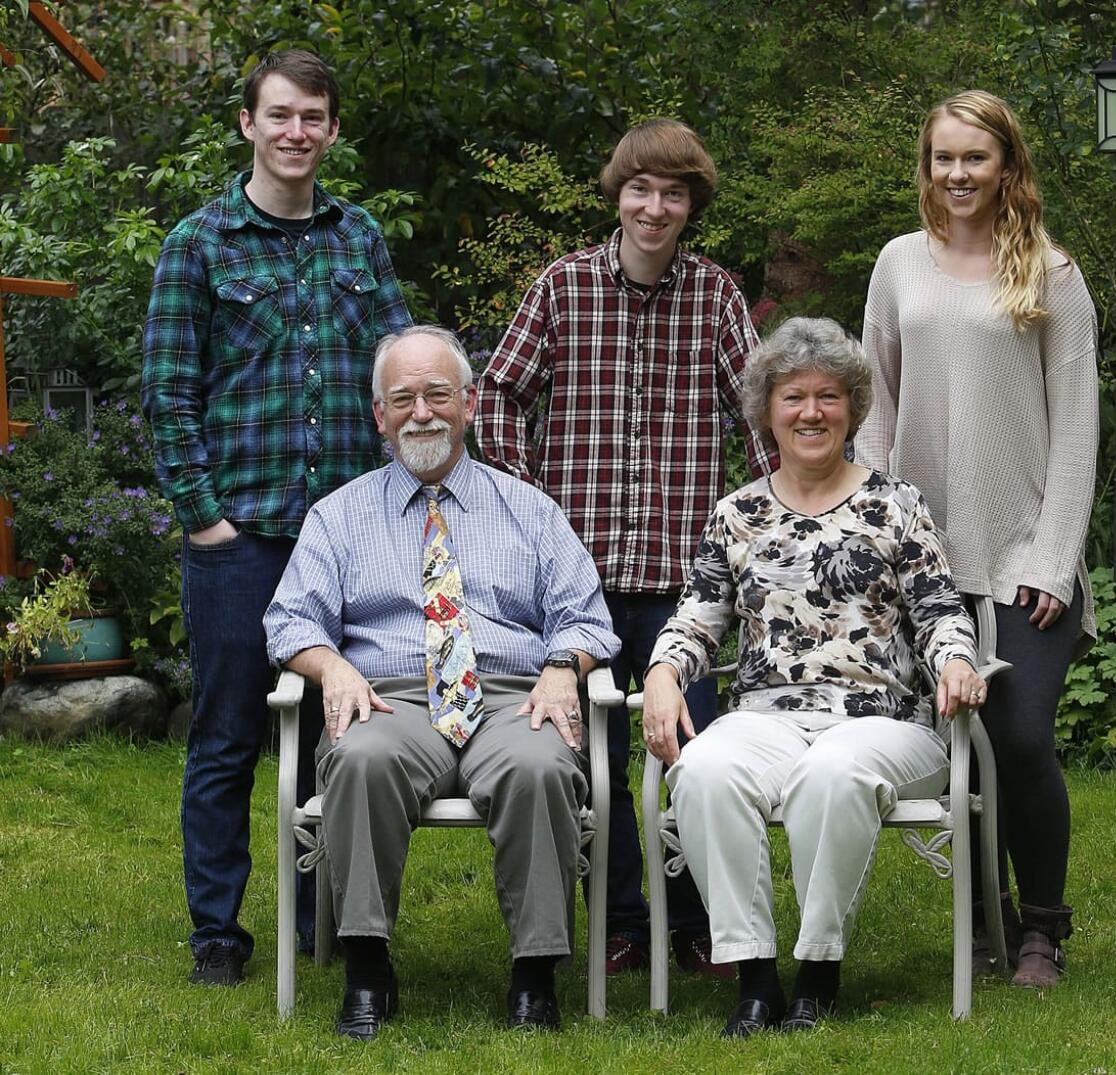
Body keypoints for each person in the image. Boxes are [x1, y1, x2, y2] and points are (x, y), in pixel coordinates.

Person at [476, 118, 775, 978]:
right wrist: (530, 506)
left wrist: (767, 527)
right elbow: (496, 393)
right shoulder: (563, 289)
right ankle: (618, 921)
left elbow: (759, 420)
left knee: (695, 750)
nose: (654, 207)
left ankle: (696, 921)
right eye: (640, 189)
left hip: (686, 582)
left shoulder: (716, 297)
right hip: (580, 588)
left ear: (691, 205)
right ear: (618, 194)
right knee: (591, 763)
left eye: (673, 193)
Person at [264, 325, 620, 1040]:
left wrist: (560, 669)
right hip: (388, 694)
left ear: (469, 403)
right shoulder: (338, 516)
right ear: (379, 416)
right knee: (359, 759)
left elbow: (586, 617)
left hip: (512, 692)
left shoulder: (530, 508)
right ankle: (368, 971)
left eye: (436, 394)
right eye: (403, 398)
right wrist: (331, 665)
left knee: (541, 764)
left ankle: (534, 975)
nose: (420, 412)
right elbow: (287, 622)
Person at [142, 48, 411, 986]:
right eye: (280, 115)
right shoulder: (199, 244)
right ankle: (217, 930)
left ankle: (317, 917)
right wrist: (206, 519)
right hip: (240, 541)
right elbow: (168, 395)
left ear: (332, 132)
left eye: (314, 118)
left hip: (343, 537)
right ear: (249, 124)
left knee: (341, 729)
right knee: (225, 737)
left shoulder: (359, 239)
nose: (297, 132)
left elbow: (400, 373)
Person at [642, 317, 986, 1036]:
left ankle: (818, 974)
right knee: (703, 767)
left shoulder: (896, 503)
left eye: (828, 396)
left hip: (882, 722)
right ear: (767, 410)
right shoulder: (738, 513)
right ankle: (756, 977)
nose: (811, 412)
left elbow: (937, 607)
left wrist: (955, 657)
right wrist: (664, 671)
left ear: (852, 409)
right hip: (766, 717)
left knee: (834, 769)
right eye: (793, 397)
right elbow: (697, 618)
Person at [854, 90, 1098, 989]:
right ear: (927, 167)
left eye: (975, 158)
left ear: (1008, 167)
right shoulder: (897, 265)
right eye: (942, 158)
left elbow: (1077, 428)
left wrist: (1054, 558)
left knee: (1020, 735)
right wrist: (872, 527)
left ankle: (1042, 925)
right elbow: (871, 399)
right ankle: (982, 909)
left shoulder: (1051, 274)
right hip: (919, 555)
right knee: (950, 741)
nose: (957, 174)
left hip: (1023, 551)